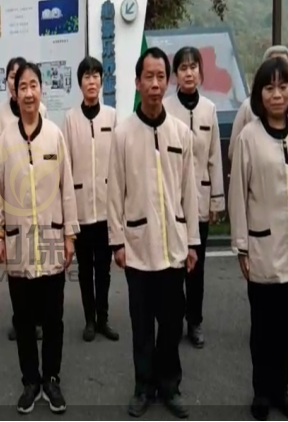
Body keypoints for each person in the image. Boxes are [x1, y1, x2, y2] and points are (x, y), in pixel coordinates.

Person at [107, 47, 200, 419]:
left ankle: (170, 384)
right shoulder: (123, 134)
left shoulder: (180, 133)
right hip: (138, 248)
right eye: (149, 77)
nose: (155, 84)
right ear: (137, 82)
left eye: (161, 77)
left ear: (168, 81)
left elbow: (189, 191)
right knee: (142, 325)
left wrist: (192, 242)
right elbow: (115, 191)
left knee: (172, 323)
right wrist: (117, 241)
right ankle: (143, 386)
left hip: (174, 246)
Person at [228, 57, 288, 422]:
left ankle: (281, 390)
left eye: (283, 87)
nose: (277, 94)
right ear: (259, 95)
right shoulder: (249, 137)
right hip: (262, 248)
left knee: (286, 327)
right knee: (263, 327)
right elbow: (237, 195)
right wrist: (241, 246)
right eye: (269, 87)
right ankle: (261, 391)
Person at [0, 62, 79, 415]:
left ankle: (51, 379)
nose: (28, 93)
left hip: (52, 239)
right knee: (24, 319)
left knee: (54, 318)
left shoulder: (54, 136)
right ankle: (30, 380)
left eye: (33, 86)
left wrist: (70, 234)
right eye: (22, 87)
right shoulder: (6, 140)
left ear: (42, 90)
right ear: (14, 93)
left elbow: (66, 187)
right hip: (18, 243)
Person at [163, 46, 225, 349]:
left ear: (200, 72)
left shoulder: (209, 110)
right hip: (173, 202)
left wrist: (216, 201)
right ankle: (174, 319)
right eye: (183, 68)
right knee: (174, 266)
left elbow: (214, 157)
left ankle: (195, 321)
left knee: (196, 268)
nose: (189, 73)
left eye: (193, 67)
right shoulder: (166, 107)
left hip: (199, 199)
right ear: (175, 75)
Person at [0, 56, 48, 341]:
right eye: (14, 79)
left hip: (38, 200)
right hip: (12, 194)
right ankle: (21, 319)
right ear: (9, 84)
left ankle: (38, 318)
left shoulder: (44, 114)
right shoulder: (0, 116)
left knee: (39, 265)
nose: (22, 88)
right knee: (18, 270)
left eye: (28, 83)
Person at [62, 56, 119, 342]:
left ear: (101, 80)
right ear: (80, 83)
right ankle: (88, 320)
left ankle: (103, 318)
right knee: (85, 269)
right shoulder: (70, 119)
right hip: (81, 208)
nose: (92, 81)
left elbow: (119, 164)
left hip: (106, 209)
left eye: (96, 75)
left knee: (103, 270)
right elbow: (66, 167)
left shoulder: (112, 116)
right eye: (87, 76)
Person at [228, 45, 288, 162]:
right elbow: (234, 151)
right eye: (273, 62)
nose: (278, 68)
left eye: (283, 63)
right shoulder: (248, 107)